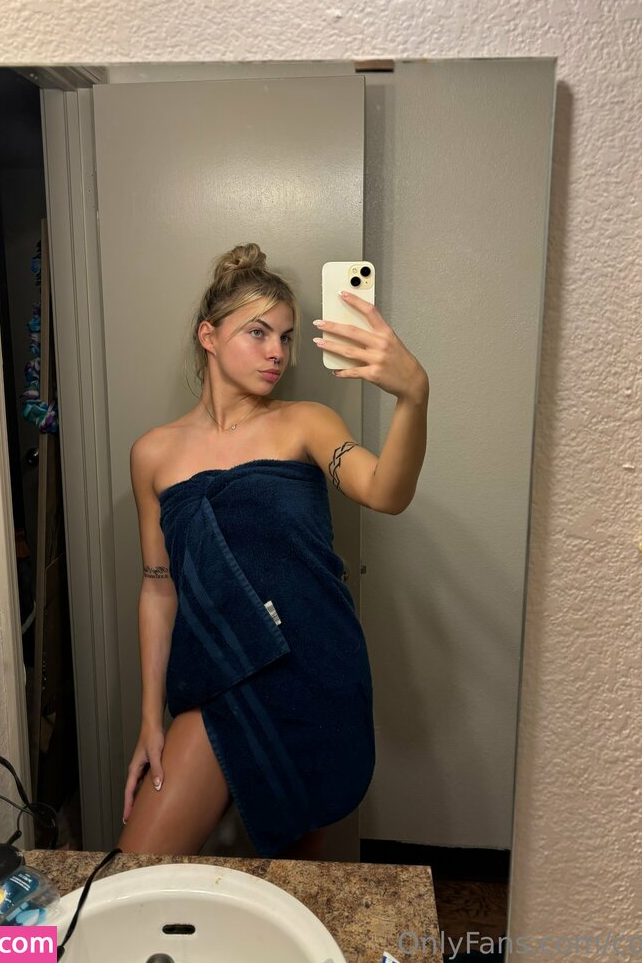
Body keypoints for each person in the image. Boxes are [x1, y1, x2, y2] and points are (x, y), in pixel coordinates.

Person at [119, 243, 428, 859]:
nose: (277, 353)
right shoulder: (152, 454)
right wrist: (151, 717)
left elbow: (385, 492)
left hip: (314, 671)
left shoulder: (306, 423)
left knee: (293, 886)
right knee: (137, 871)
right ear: (209, 336)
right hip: (218, 677)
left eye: (285, 338)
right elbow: (158, 586)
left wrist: (413, 395)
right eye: (257, 333)